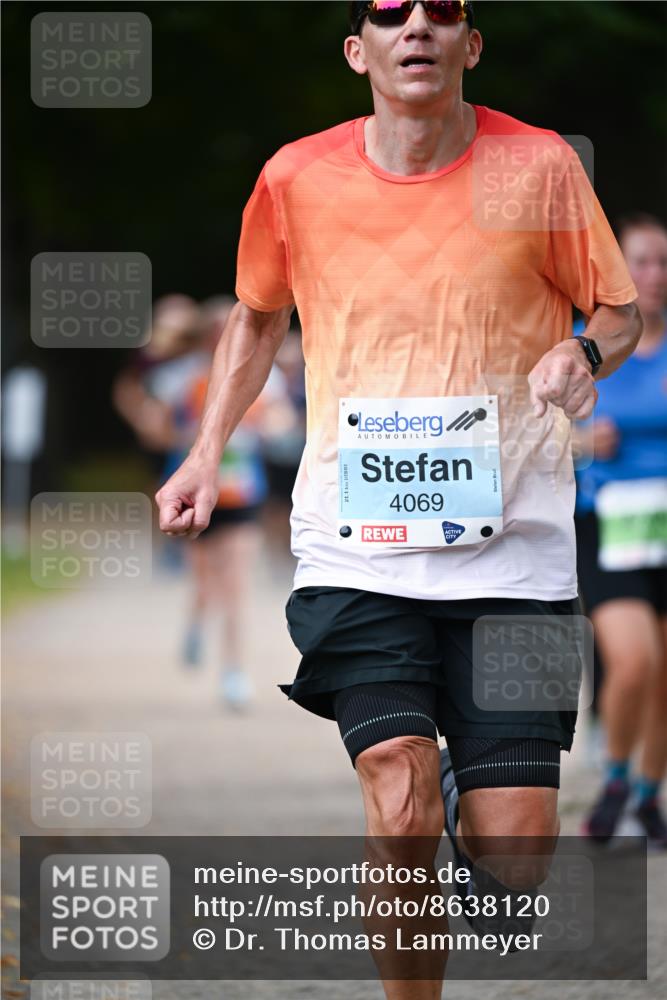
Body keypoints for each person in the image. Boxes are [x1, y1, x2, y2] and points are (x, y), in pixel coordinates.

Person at [155, 2, 641, 994]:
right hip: (358, 546)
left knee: (515, 859)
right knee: (398, 792)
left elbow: (619, 311)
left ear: (470, 44)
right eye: (389, 10)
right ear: (357, 49)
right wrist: (205, 452)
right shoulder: (297, 176)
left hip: (517, 553)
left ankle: (473, 787)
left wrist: (581, 352)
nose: (416, 24)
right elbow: (256, 319)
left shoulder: (537, 165)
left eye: (442, 10)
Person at [574, 214, 667, 847]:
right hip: (610, 527)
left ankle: (648, 795)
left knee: (664, 676)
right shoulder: (583, 349)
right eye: (641, 262)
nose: (654, 275)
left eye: (663, 263)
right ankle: (614, 779)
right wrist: (581, 443)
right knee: (634, 663)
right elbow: (529, 432)